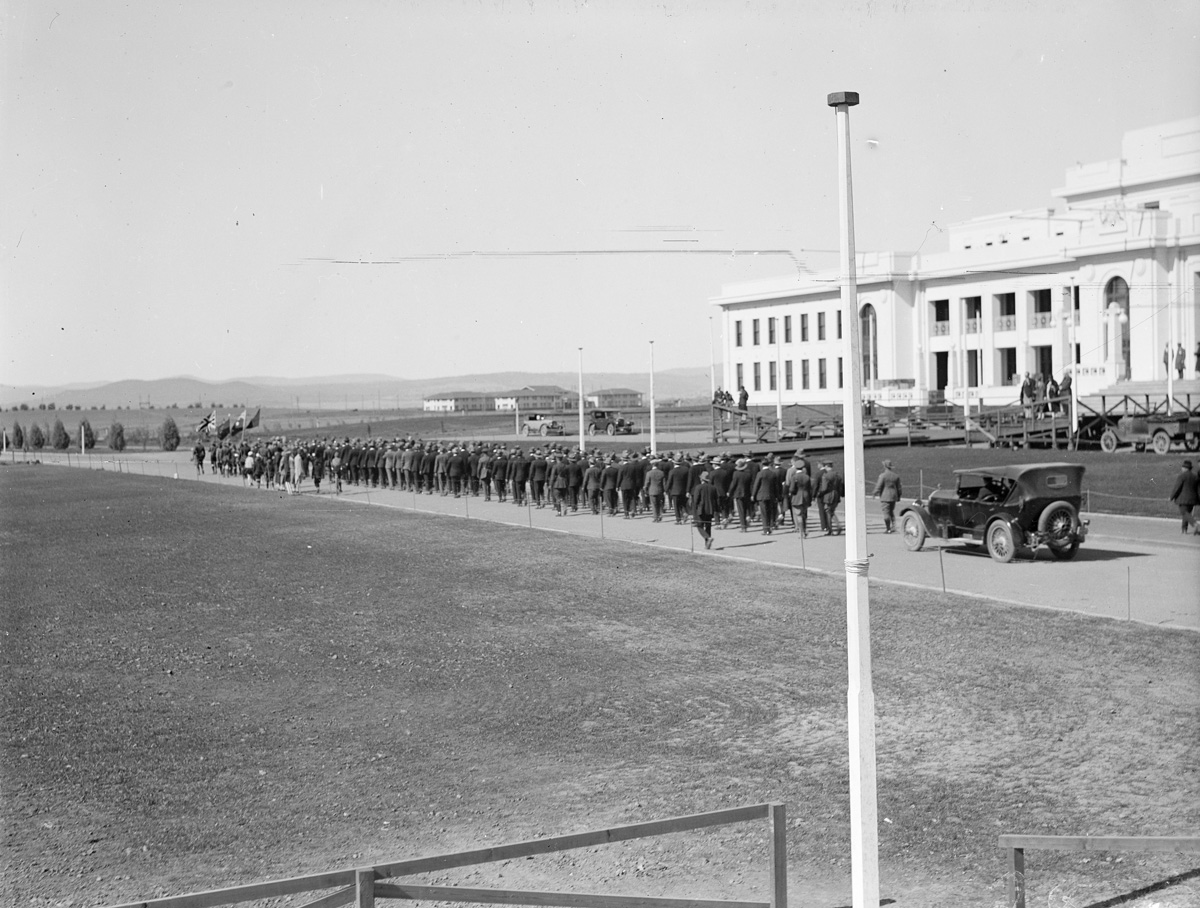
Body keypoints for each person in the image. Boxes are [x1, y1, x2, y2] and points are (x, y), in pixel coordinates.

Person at [872, 459, 903, 534]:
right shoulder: (896, 476)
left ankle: (888, 528)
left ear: (885, 466)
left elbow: (879, 486)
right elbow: (899, 487)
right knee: (891, 511)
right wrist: (899, 496)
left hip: (885, 496)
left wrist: (874, 493)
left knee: (886, 512)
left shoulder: (883, 476)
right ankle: (894, 526)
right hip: (893, 496)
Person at [1168, 459, 1199, 535]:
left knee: (1184, 512)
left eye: (1182, 467)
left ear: (1185, 468)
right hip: (1192, 499)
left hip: (1183, 499)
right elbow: (1198, 488)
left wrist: (1171, 497)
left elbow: (1177, 487)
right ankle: (1184, 529)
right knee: (1186, 514)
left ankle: (1194, 523)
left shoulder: (1182, 476)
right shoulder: (1195, 476)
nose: (1181, 469)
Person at [691, 471, 719, 549]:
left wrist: (694, 511)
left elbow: (695, 500)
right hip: (710, 509)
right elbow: (716, 500)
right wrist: (716, 510)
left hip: (701, 509)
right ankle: (707, 544)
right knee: (708, 526)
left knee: (699, 525)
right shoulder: (713, 487)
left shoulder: (698, 487)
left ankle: (707, 538)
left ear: (702, 479)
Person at [816, 461, 844, 536]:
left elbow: (824, 488)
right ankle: (836, 527)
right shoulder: (838, 475)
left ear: (826, 466)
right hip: (836, 494)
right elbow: (840, 486)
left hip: (829, 495)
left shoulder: (826, 475)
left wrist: (819, 494)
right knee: (831, 511)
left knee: (828, 511)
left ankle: (832, 528)